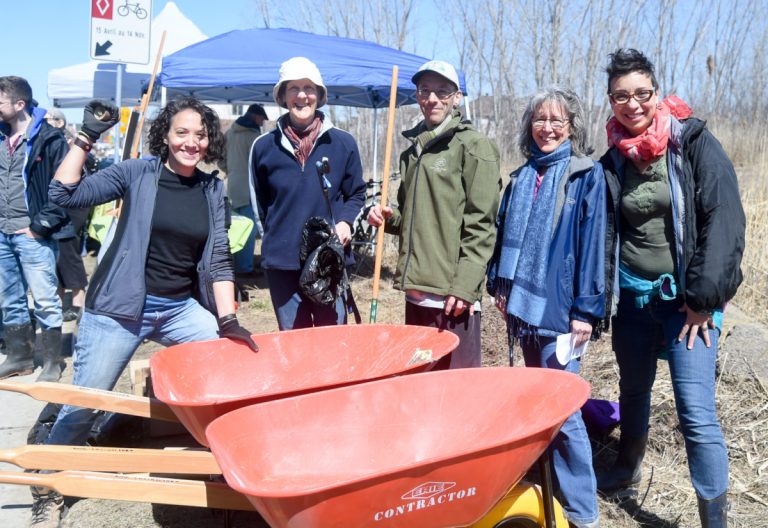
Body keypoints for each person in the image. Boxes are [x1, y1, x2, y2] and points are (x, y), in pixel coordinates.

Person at [29, 97, 258, 527]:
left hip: (177, 309)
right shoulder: (139, 173)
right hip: (119, 309)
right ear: (166, 136)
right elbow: (63, 192)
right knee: (84, 404)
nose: (191, 142)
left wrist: (227, 320)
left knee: (228, 374)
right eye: (182, 132)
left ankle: (223, 465)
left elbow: (221, 259)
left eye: (200, 134)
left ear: (209, 140)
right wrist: (85, 136)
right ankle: (47, 483)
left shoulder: (211, 189)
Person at [598, 49, 745, 527]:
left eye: (642, 93)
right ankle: (627, 467)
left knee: (695, 412)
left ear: (656, 93)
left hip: (688, 305)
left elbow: (725, 219)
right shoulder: (612, 158)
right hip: (633, 299)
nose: (633, 104)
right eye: (622, 96)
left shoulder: (694, 143)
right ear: (611, 101)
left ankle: (713, 518)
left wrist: (703, 300)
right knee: (633, 390)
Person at [486, 86, 605, 528]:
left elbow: (592, 246)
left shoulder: (583, 175)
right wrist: (500, 283)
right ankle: (544, 483)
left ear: (572, 126)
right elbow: (503, 237)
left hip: (562, 310)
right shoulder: (520, 177)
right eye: (540, 119)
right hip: (522, 309)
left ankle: (581, 510)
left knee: (564, 409)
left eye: (557, 121)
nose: (548, 128)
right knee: (536, 403)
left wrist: (586, 310)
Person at [367, 60, 501, 369]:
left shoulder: (473, 147)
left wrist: (465, 287)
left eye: (442, 91)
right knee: (423, 387)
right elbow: (414, 217)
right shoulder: (412, 150)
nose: (432, 99)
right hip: (416, 294)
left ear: (457, 97)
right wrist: (390, 217)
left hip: (451, 298)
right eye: (425, 90)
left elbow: (481, 225)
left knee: (456, 389)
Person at [250, 57, 366, 330]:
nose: (302, 95)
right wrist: (279, 239)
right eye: (294, 88)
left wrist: (346, 222)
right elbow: (261, 205)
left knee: (332, 339)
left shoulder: (342, 142)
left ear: (320, 95)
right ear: (282, 95)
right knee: (293, 343)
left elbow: (357, 193)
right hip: (283, 264)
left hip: (330, 260)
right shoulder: (263, 146)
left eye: (309, 88)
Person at [0, 76, 70, 383]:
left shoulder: (50, 138)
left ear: (19, 104)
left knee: (44, 299)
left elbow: (66, 185)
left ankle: (53, 361)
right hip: (3, 232)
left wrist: (40, 226)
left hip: (33, 233)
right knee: (9, 298)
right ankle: (19, 357)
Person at [44, 108, 91, 322]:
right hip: (54, 207)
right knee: (56, 258)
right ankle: (62, 301)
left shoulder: (68, 143)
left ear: (60, 122)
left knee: (69, 254)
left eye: (50, 120)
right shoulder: (47, 142)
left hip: (72, 208)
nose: (46, 123)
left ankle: (78, 303)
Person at [219, 103, 267, 276]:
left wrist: (232, 171)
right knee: (249, 230)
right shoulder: (254, 137)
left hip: (232, 187)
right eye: (262, 119)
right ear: (255, 117)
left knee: (237, 230)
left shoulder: (229, 134)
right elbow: (261, 164)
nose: (262, 123)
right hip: (250, 190)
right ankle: (245, 268)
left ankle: (235, 265)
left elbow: (220, 160)